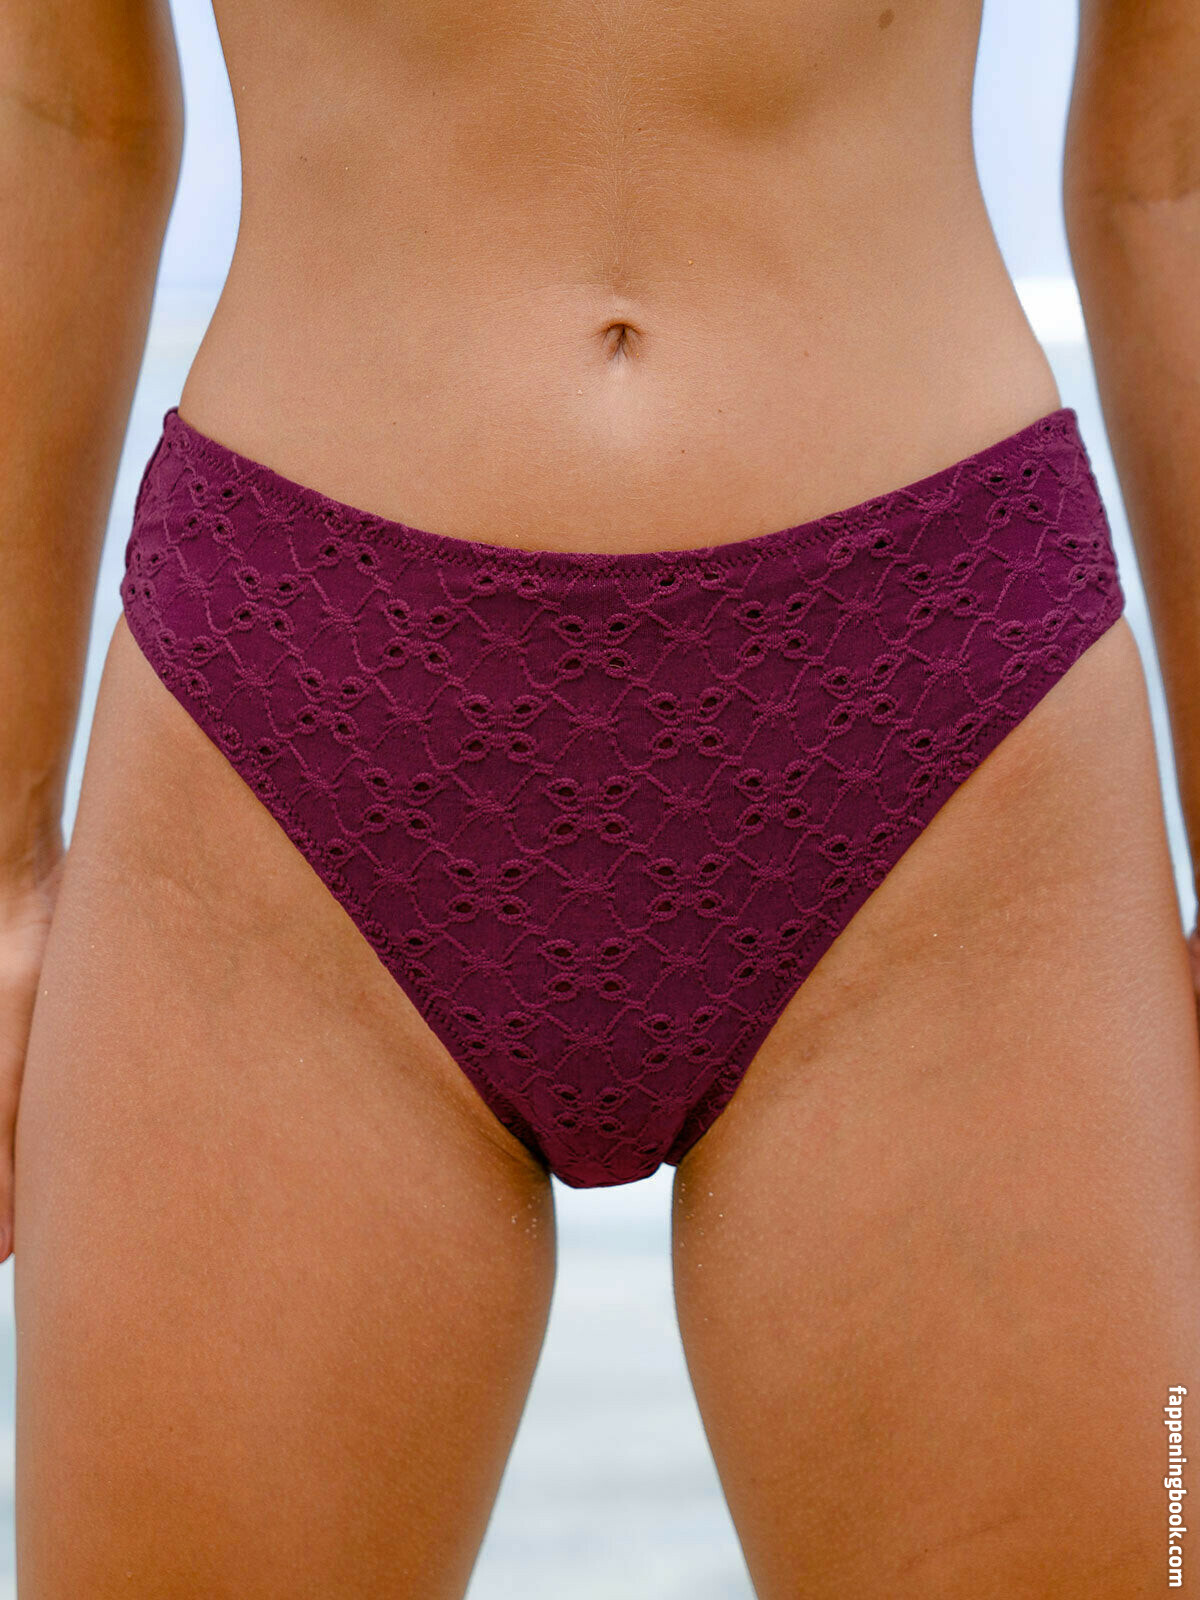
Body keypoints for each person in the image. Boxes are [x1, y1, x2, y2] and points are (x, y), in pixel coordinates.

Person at [3, 0, 1198, 1593]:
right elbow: (59, 112)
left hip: (939, 716)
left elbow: (1170, 161)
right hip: (294, 716)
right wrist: (5, 864)